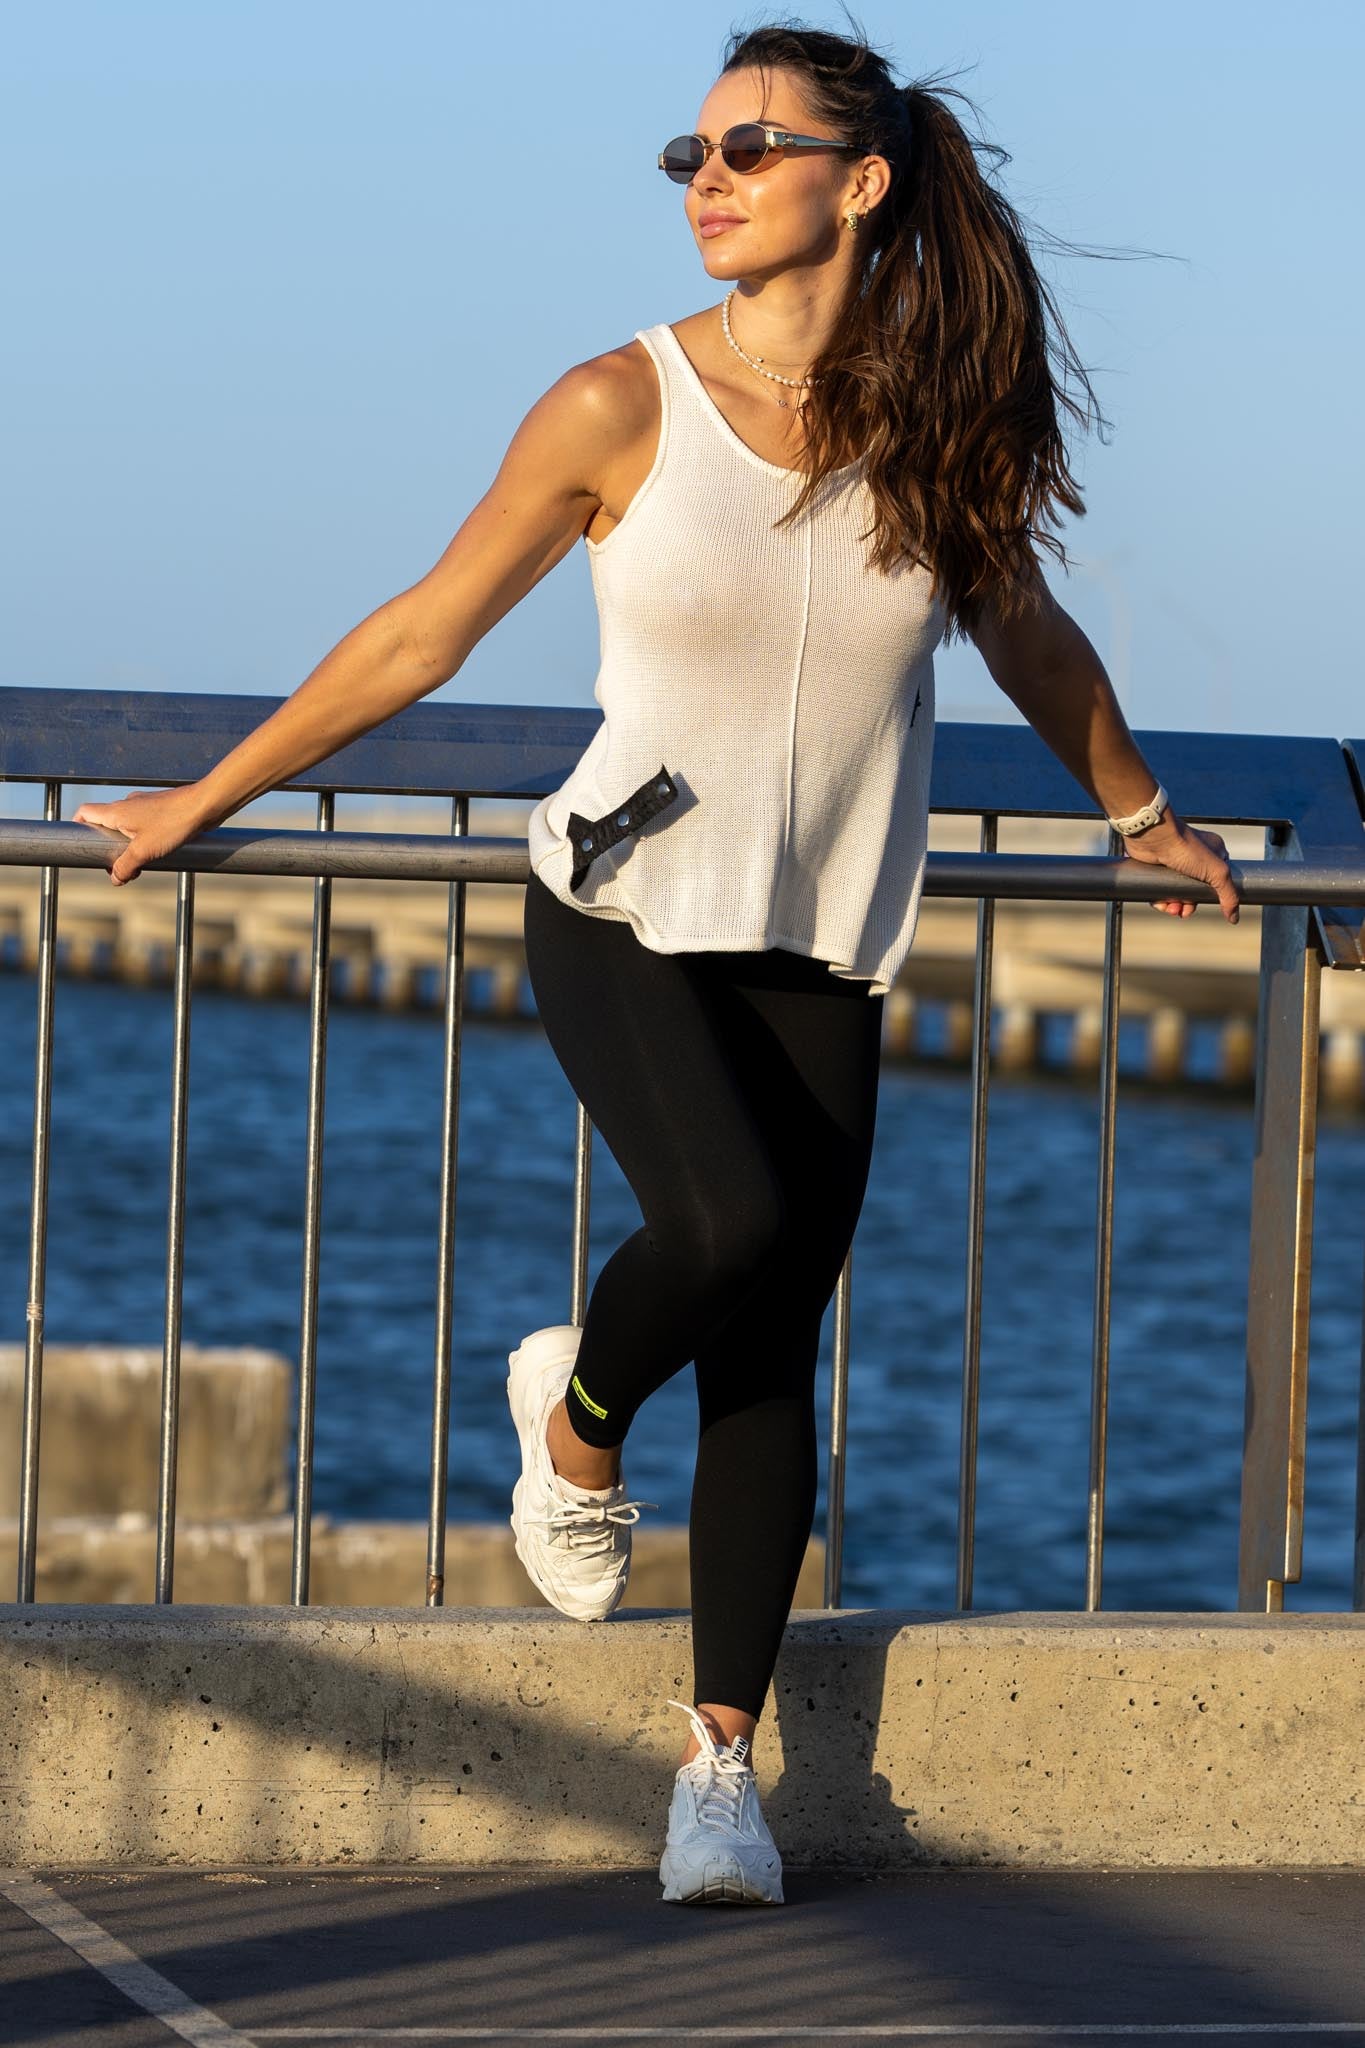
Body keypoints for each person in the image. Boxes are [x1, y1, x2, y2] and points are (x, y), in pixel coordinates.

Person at [73, 17, 1242, 1908]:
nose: (705, 180)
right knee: (723, 1230)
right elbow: (422, 634)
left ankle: (720, 1777)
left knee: (776, 1344)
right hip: (621, 906)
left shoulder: (927, 425)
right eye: (686, 156)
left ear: (855, 184)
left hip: (825, 932)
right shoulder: (619, 403)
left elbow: (1031, 649)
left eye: (747, 148)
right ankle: (575, 1417)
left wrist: (1137, 818)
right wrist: (203, 796)